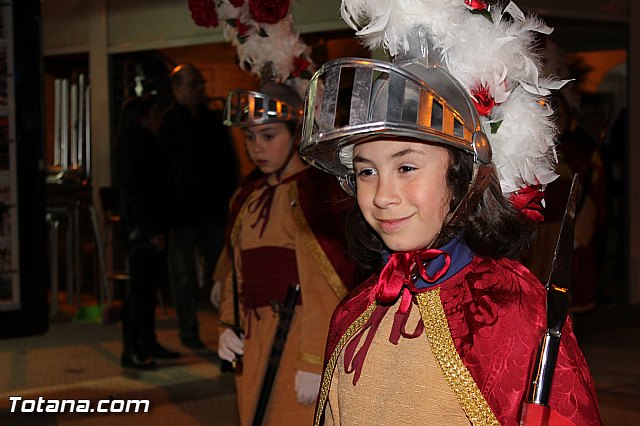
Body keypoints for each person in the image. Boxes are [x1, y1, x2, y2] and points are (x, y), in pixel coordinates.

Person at [298, 1, 602, 425]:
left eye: (406, 167)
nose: (383, 195)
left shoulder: (510, 310)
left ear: (461, 175)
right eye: (367, 171)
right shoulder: (357, 310)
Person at [216, 82, 358, 425]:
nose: (256, 148)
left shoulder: (314, 193)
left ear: (296, 134)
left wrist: (312, 360)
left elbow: (321, 283)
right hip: (252, 333)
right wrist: (228, 323)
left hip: (294, 334)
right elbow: (236, 269)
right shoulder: (249, 197)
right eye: (250, 137)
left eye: (268, 136)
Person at [159, 63, 238, 349]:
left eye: (199, 84)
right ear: (177, 89)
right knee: (183, 276)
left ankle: (227, 331)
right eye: (192, 84)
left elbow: (227, 164)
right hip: (181, 214)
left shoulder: (212, 121)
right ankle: (188, 331)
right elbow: (161, 173)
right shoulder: (167, 124)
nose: (199, 90)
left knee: (222, 273)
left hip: (212, 210)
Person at [116, 95, 179, 370]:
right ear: (142, 118)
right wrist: (149, 229)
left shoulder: (148, 144)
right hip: (143, 231)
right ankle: (132, 349)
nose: (160, 118)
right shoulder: (134, 147)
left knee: (148, 290)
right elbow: (134, 194)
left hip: (152, 226)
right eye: (155, 113)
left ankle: (146, 342)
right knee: (139, 292)